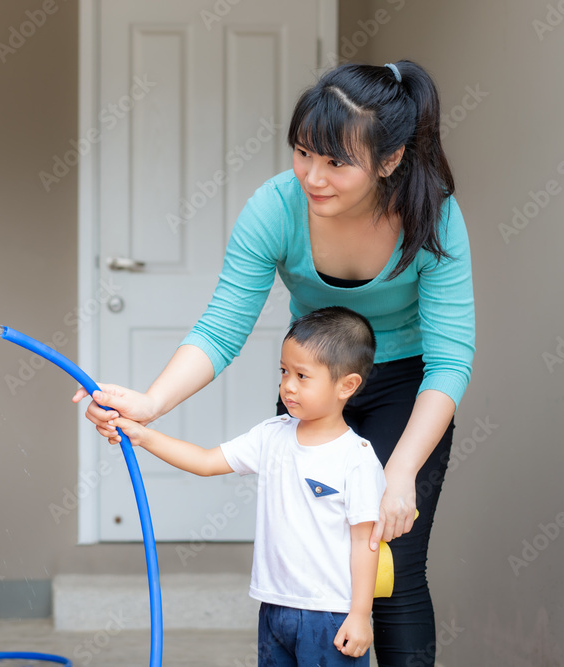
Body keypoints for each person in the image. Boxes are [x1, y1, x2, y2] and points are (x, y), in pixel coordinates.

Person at [74, 60, 475, 666]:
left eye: (337, 163)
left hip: (406, 388)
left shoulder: (433, 215)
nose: (313, 177)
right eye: (303, 152)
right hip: (316, 385)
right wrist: (150, 403)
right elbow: (221, 327)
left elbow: (449, 361)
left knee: (390, 566)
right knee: (307, 558)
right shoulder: (276, 208)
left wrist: (399, 473)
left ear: (389, 161)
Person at [111, 307, 386, 665]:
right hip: (274, 607)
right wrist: (143, 435)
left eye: (303, 376)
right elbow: (207, 461)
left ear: (346, 385)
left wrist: (360, 615)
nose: (288, 385)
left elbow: (365, 543)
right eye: (284, 371)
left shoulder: (357, 458)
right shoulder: (272, 435)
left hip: (330, 614)